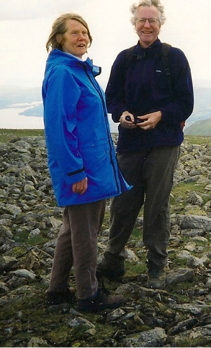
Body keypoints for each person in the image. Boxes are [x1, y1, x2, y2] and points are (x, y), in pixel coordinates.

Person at [97, 0, 194, 289]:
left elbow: (185, 102)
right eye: (142, 20)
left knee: (156, 205)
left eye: (152, 20)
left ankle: (156, 266)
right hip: (130, 142)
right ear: (134, 23)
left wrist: (161, 116)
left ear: (160, 23)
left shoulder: (173, 58)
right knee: (123, 203)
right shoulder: (125, 59)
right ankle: (113, 259)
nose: (147, 25)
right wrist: (122, 114)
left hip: (163, 142)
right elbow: (111, 96)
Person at [42, 13, 131, 313]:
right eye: (75, 33)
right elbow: (58, 126)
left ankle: (56, 289)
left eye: (85, 33)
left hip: (92, 167)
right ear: (59, 39)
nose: (82, 37)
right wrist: (75, 170)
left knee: (73, 229)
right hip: (83, 171)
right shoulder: (65, 73)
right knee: (86, 234)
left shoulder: (76, 69)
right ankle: (88, 295)